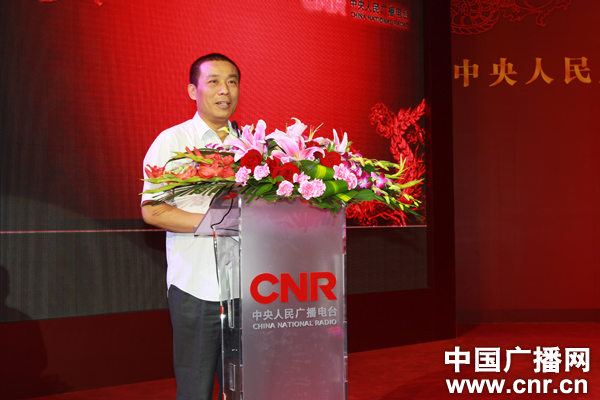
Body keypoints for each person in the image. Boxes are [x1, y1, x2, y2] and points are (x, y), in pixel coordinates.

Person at [141, 53, 240, 400]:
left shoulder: (253, 146)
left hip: (248, 290)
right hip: (196, 288)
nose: (225, 90)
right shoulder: (172, 142)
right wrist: (221, 223)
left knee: (246, 388)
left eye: (232, 82)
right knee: (195, 390)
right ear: (192, 90)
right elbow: (153, 211)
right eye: (214, 81)